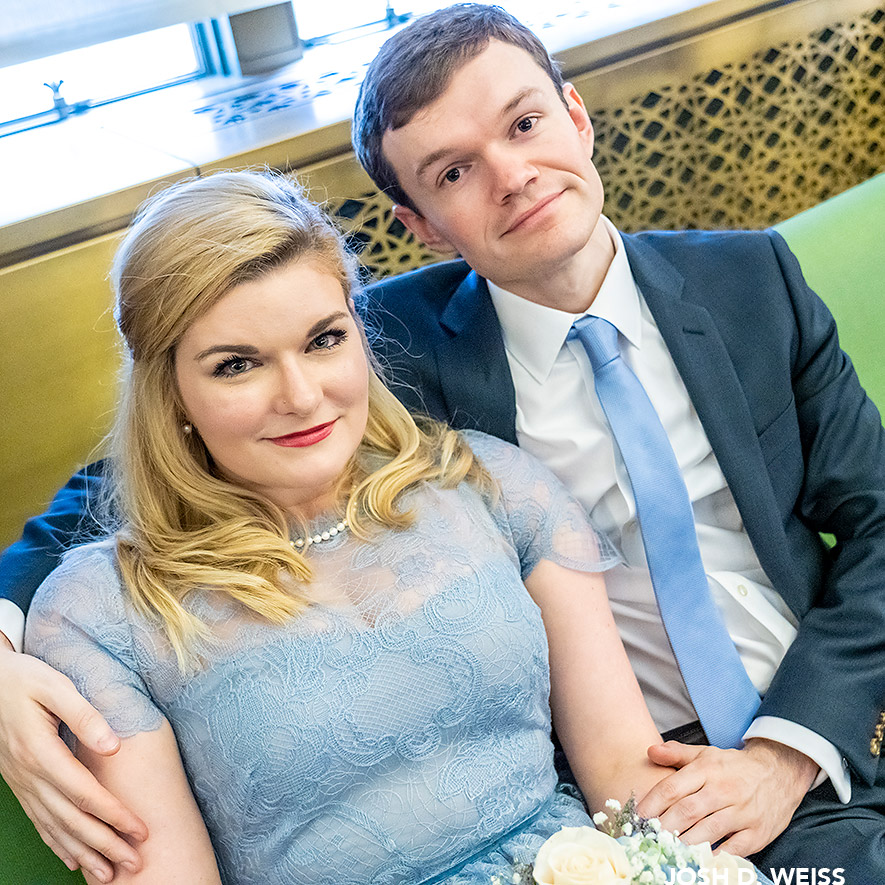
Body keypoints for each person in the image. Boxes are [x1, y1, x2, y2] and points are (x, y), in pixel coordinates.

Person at [0, 2, 883, 881]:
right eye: (454, 170)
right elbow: (137, 470)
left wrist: (790, 749)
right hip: (639, 784)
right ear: (419, 223)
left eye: (524, 124)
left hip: (824, 716)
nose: (513, 176)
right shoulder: (371, 348)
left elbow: (877, 519)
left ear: (576, 116)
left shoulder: (749, 279)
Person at [18, 168, 681, 884]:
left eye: (324, 340)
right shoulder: (101, 613)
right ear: (171, 390)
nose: (302, 396)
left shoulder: (489, 484)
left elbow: (626, 780)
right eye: (237, 365)